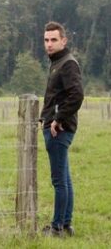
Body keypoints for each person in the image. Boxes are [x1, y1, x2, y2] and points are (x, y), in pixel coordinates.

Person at [40, 21, 84, 238]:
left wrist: (57, 119)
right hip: (57, 126)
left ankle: (57, 227)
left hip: (59, 129)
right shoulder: (57, 62)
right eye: (46, 40)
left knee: (59, 181)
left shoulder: (68, 64)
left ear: (64, 40)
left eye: (54, 40)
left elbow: (76, 95)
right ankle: (66, 225)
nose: (49, 44)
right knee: (64, 179)